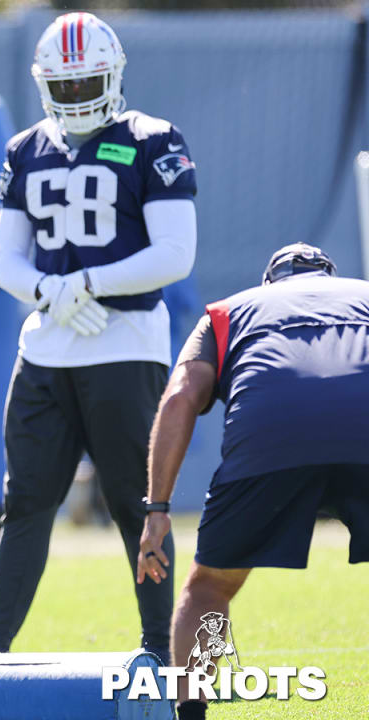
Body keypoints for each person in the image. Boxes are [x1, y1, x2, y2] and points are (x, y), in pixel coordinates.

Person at [0, 11, 197, 664]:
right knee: (24, 502)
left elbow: (175, 253)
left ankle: (161, 650)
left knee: (140, 506)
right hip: (47, 347)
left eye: (87, 83)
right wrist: (52, 291)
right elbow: (5, 258)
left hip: (126, 343)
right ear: (47, 84)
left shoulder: (154, 141)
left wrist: (89, 282)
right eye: (64, 85)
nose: (75, 96)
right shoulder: (25, 149)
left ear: (114, 77)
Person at [136, 243, 369, 720]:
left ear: (270, 284)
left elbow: (180, 397)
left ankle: (192, 713)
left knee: (208, 591)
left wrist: (156, 509)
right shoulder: (363, 296)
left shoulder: (228, 311)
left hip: (270, 433)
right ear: (330, 276)